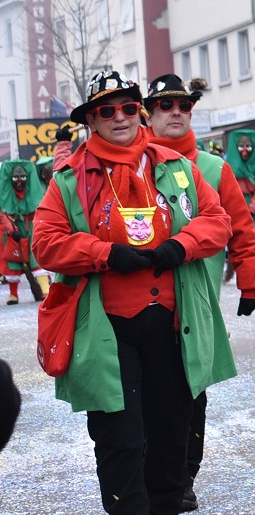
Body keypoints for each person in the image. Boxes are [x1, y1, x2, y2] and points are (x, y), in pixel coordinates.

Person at [31, 71, 234, 514]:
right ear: (91, 120)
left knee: (170, 432)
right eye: (107, 110)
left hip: (172, 323)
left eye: (127, 107)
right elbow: (44, 243)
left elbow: (218, 222)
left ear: (138, 111)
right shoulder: (68, 180)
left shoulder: (176, 167)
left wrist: (180, 246)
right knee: (119, 438)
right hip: (106, 331)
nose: (119, 117)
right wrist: (103, 253)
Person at [143, 73, 255, 511]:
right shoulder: (132, 164)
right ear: (149, 112)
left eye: (184, 106)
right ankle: (154, 475)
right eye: (165, 106)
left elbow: (240, 228)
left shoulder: (214, 168)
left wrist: (251, 279)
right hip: (141, 301)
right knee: (144, 395)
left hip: (196, 302)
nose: (176, 113)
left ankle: (183, 477)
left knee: (192, 394)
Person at [1, 160, 48, 304]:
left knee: (36, 258)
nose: (19, 180)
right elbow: (3, 213)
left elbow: (39, 210)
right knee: (12, 262)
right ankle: (13, 294)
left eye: (22, 177)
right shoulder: (5, 195)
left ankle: (46, 291)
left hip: (31, 229)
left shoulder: (34, 192)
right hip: (13, 232)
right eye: (16, 177)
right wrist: (11, 229)